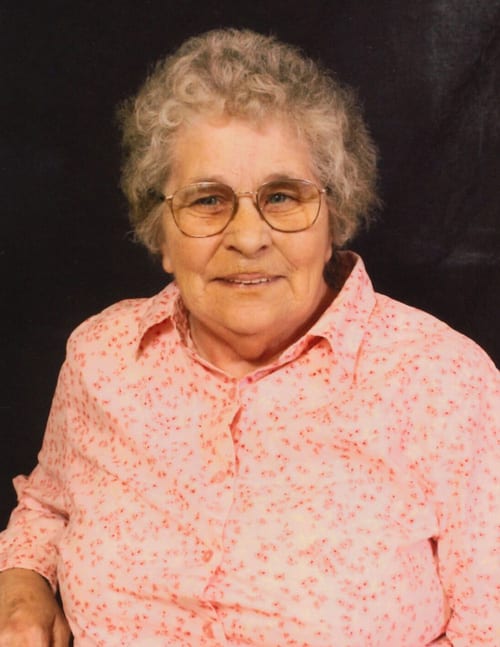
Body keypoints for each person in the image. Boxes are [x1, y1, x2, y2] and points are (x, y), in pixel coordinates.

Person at [0, 28, 498, 647]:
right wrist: (21, 583)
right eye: (208, 200)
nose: (248, 237)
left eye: (282, 196)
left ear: (334, 218)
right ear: (160, 232)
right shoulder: (101, 356)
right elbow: (48, 506)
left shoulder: (443, 381)